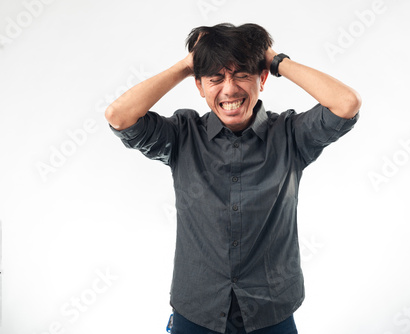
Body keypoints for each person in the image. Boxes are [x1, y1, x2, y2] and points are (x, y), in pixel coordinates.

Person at [105, 23, 361, 334]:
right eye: (215, 78)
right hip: (197, 311)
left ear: (261, 78)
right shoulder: (183, 135)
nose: (229, 89)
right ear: (200, 87)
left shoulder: (291, 135)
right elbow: (119, 116)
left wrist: (275, 59)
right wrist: (188, 64)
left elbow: (346, 104)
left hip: (271, 311)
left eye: (241, 74)